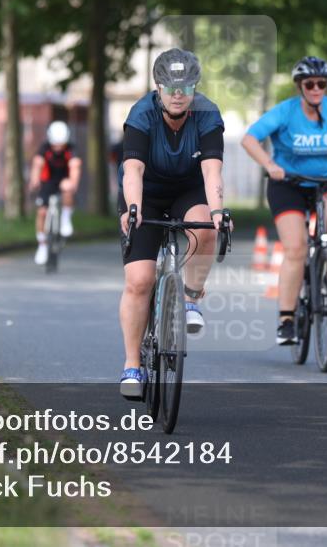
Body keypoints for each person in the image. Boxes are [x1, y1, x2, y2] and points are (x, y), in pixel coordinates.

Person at [240, 56, 327, 346]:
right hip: (287, 184)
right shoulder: (286, 111)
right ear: (300, 86)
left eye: (321, 84)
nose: (316, 89)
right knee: (296, 248)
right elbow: (249, 139)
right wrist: (269, 165)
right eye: (310, 84)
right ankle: (286, 320)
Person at [117, 48, 227, 397]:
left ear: (195, 88)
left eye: (186, 87)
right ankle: (132, 365)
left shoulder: (208, 114)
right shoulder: (141, 114)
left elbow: (212, 172)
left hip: (188, 190)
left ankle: (191, 298)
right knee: (139, 280)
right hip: (145, 193)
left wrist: (218, 212)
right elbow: (133, 170)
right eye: (170, 87)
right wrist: (134, 208)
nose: (178, 94)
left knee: (204, 227)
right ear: (158, 87)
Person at [27, 121, 81, 265]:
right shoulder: (44, 148)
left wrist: (73, 184)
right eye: (55, 144)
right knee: (42, 212)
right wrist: (34, 181)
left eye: (61, 144)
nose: (58, 148)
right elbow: (37, 164)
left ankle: (65, 218)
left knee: (67, 188)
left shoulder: (71, 149)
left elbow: (75, 167)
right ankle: (42, 245)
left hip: (64, 179)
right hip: (48, 181)